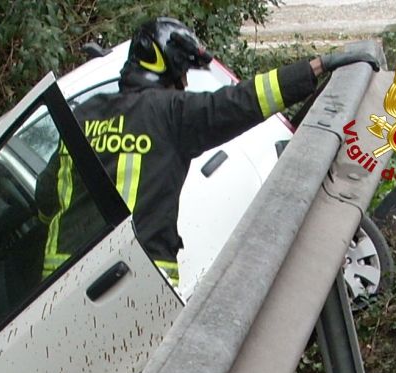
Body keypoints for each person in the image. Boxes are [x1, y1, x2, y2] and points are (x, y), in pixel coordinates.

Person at [36, 17, 378, 286]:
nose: (185, 83)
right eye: (183, 73)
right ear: (167, 68)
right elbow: (242, 102)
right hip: (134, 283)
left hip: (59, 285)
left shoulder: (84, 116)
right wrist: (318, 66)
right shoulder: (169, 114)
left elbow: (46, 196)